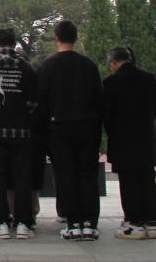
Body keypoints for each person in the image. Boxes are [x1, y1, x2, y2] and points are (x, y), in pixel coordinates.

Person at [38, 20, 103, 241]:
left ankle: (73, 223)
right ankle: (90, 224)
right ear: (76, 38)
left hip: (59, 128)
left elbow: (42, 102)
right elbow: (98, 99)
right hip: (88, 126)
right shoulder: (89, 65)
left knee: (65, 175)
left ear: (56, 37)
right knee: (87, 174)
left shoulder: (48, 66)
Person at [0, 28, 38, 241]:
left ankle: (1, 223)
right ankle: (23, 223)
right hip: (21, 132)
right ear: (14, 43)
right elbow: (33, 102)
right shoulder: (26, 68)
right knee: (22, 178)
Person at [103, 45, 156, 241]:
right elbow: (155, 109)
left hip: (123, 139)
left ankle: (134, 222)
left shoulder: (111, 82)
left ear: (114, 62)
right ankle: (152, 221)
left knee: (129, 182)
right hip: (146, 137)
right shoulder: (149, 78)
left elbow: (107, 115)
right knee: (148, 179)